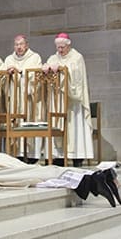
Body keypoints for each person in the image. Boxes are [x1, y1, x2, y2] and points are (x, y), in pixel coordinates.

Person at [43, 33, 94, 167]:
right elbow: (47, 69)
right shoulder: (53, 58)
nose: (60, 50)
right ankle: (59, 157)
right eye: (58, 47)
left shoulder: (77, 57)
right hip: (57, 100)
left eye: (62, 47)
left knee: (74, 127)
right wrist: (47, 68)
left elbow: (76, 78)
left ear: (68, 45)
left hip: (73, 102)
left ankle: (77, 157)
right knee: (58, 125)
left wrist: (61, 69)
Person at [2, 34, 42, 158]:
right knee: (14, 122)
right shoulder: (9, 59)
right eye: (16, 44)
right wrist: (8, 75)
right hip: (13, 98)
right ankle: (16, 153)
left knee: (28, 121)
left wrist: (19, 73)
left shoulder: (35, 57)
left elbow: (36, 78)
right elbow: (2, 79)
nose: (19, 47)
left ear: (26, 45)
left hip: (28, 99)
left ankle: (30, 155)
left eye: (21, 44)